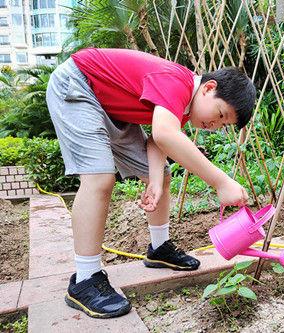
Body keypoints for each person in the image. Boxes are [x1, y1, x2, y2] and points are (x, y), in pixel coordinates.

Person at [46, 48, 256, 318]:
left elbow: (157, 141)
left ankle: (159, 248)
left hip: (111, 107)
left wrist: (155, 181)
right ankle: (85, 279)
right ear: (208, 88)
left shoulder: (183, 107)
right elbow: (165, 133)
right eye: (220, 113)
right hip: (79, 85)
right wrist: (221, 181)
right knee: (99, 178)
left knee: (164, 175)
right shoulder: (177, 81)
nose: (215, 124)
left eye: (223, 124)